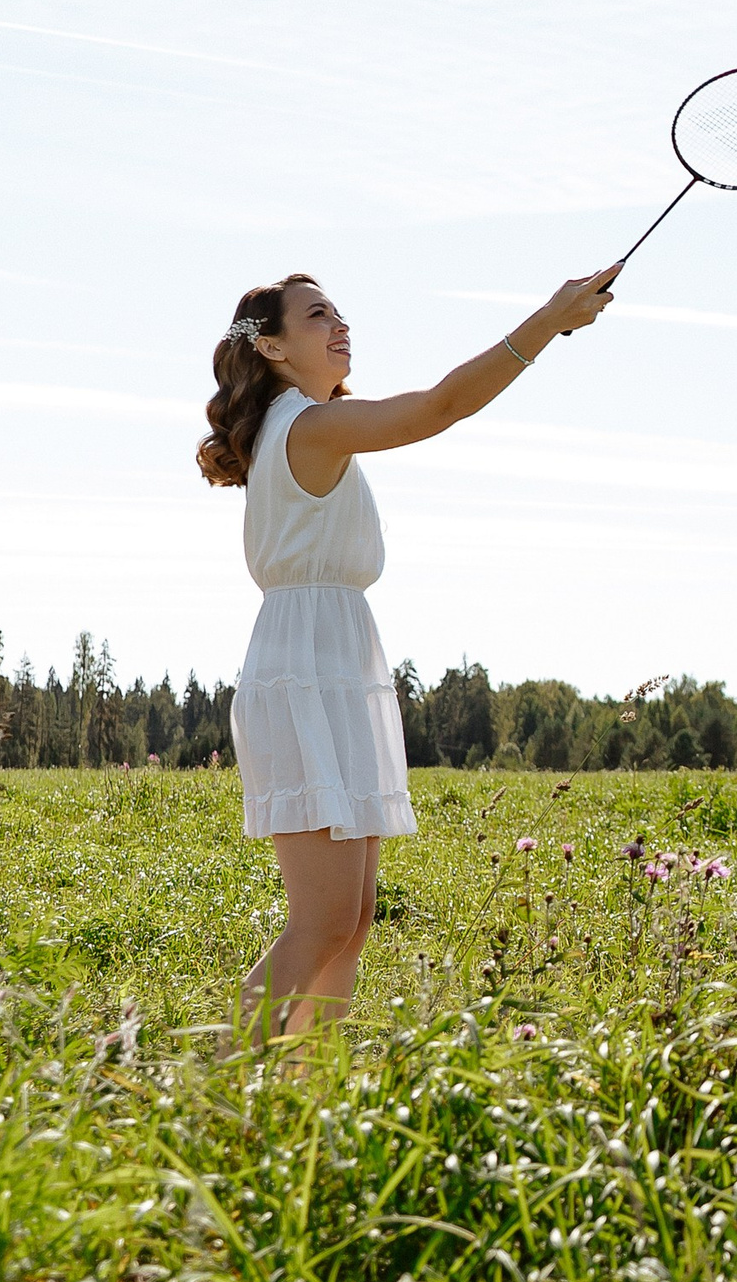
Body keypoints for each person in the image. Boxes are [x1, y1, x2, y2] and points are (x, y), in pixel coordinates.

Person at [195, 265, 617, 1046]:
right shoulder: (307, 426)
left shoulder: (310, 423)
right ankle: (212, 1091)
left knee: (350, 923)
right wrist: (549, 320)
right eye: (318, 315)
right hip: (304, 668)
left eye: (339, 311)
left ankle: (307, 1104)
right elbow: (440, 407)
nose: (340, 324)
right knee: (320, 922)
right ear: (278, 348)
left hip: (339, 660)